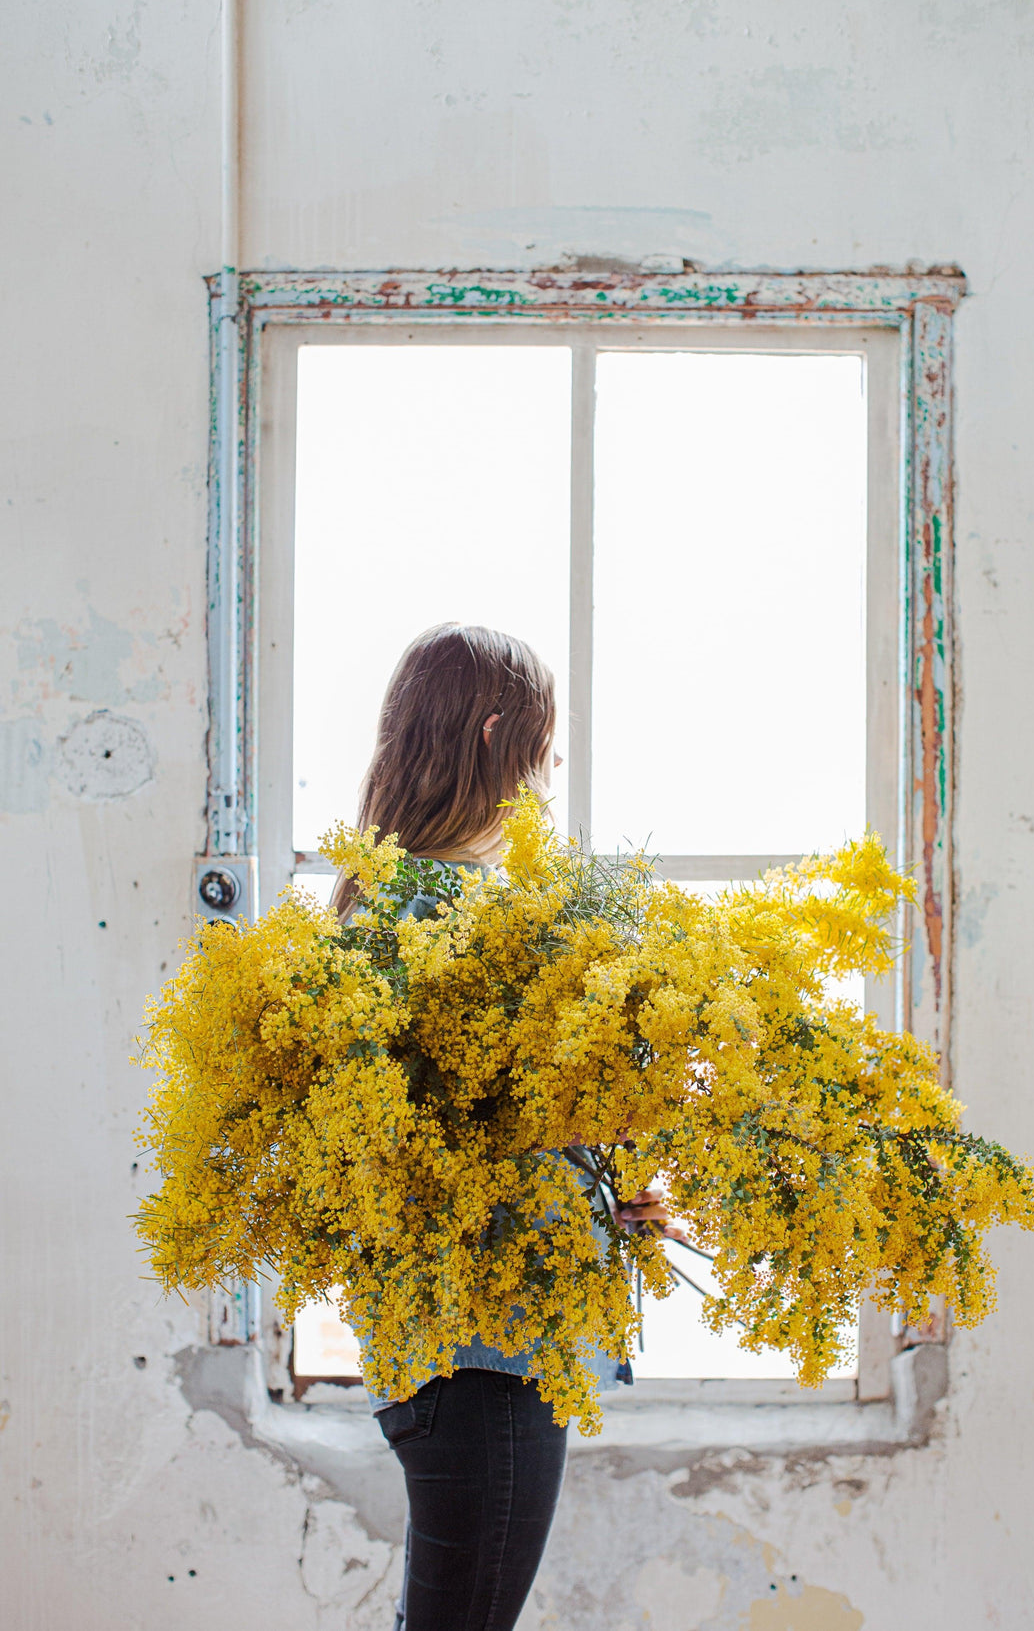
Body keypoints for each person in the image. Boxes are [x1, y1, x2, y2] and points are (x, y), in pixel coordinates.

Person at [332, 622, 679, 1631]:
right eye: (544, 742)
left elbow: (463, 1128)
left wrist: (598, 1198)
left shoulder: (389, 899)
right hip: (484, 1359)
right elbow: (494, 1122)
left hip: (447, 1352)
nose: (554, 767)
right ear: (496, 735)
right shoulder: (463, 910)